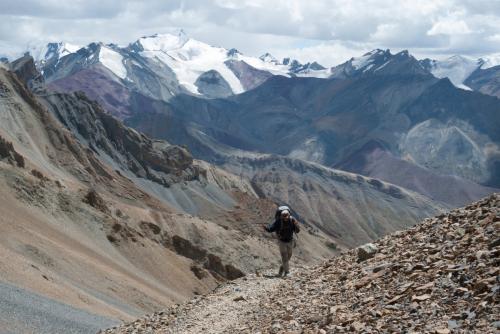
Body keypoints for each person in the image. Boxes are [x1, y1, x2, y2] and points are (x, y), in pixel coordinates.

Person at [263, 209, 300, 277]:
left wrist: (296, 225)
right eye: (284, 217)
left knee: (289, 256)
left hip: (290, 240)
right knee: (284, 257)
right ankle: (287, 272)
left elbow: (297, 231)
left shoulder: (292, 220)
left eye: (286, 216)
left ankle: (282, 268)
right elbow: (271, 229)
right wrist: (266, 228)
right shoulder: (278, 222)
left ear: (289, 215)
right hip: (282, 241)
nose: (285, 218)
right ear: (281, 216)